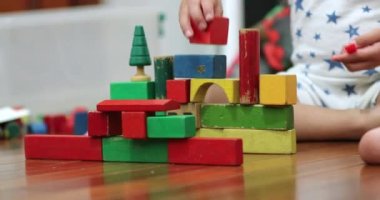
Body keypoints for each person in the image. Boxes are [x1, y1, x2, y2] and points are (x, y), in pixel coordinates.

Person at [179, 0, 380, 163]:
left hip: (376, 83)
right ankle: (365, 122)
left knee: (373, 145)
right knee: (206, 95)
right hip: (307, 83)